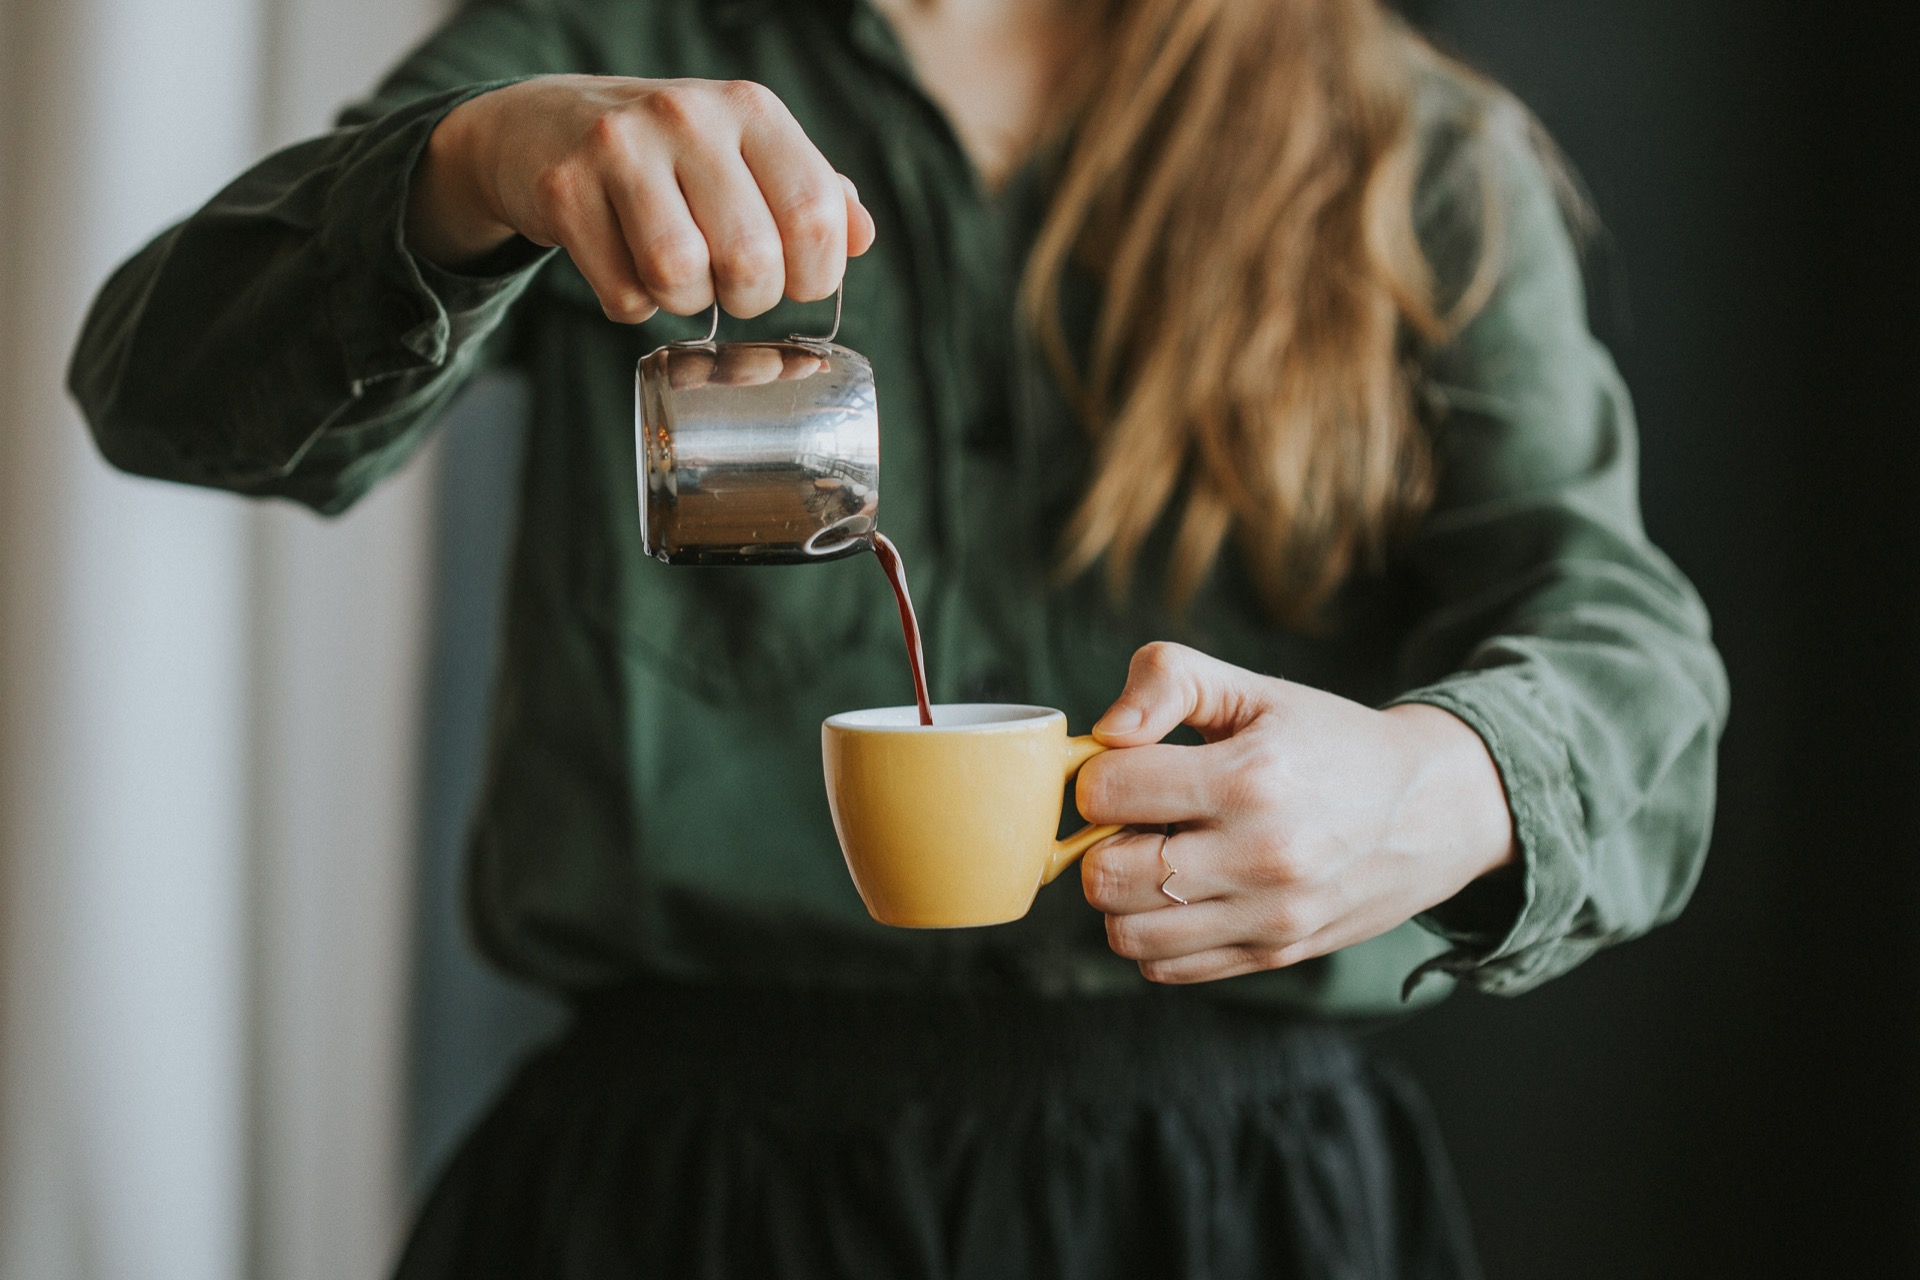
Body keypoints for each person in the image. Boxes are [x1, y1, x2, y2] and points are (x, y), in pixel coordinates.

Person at [68, 0, 1729, 1275]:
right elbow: (159, 394)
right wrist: (472, 168)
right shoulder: (615, 51)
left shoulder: (1406, 147)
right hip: (671, 1197)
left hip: (1230, 1202)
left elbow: (1627, 648)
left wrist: (1433, 787)